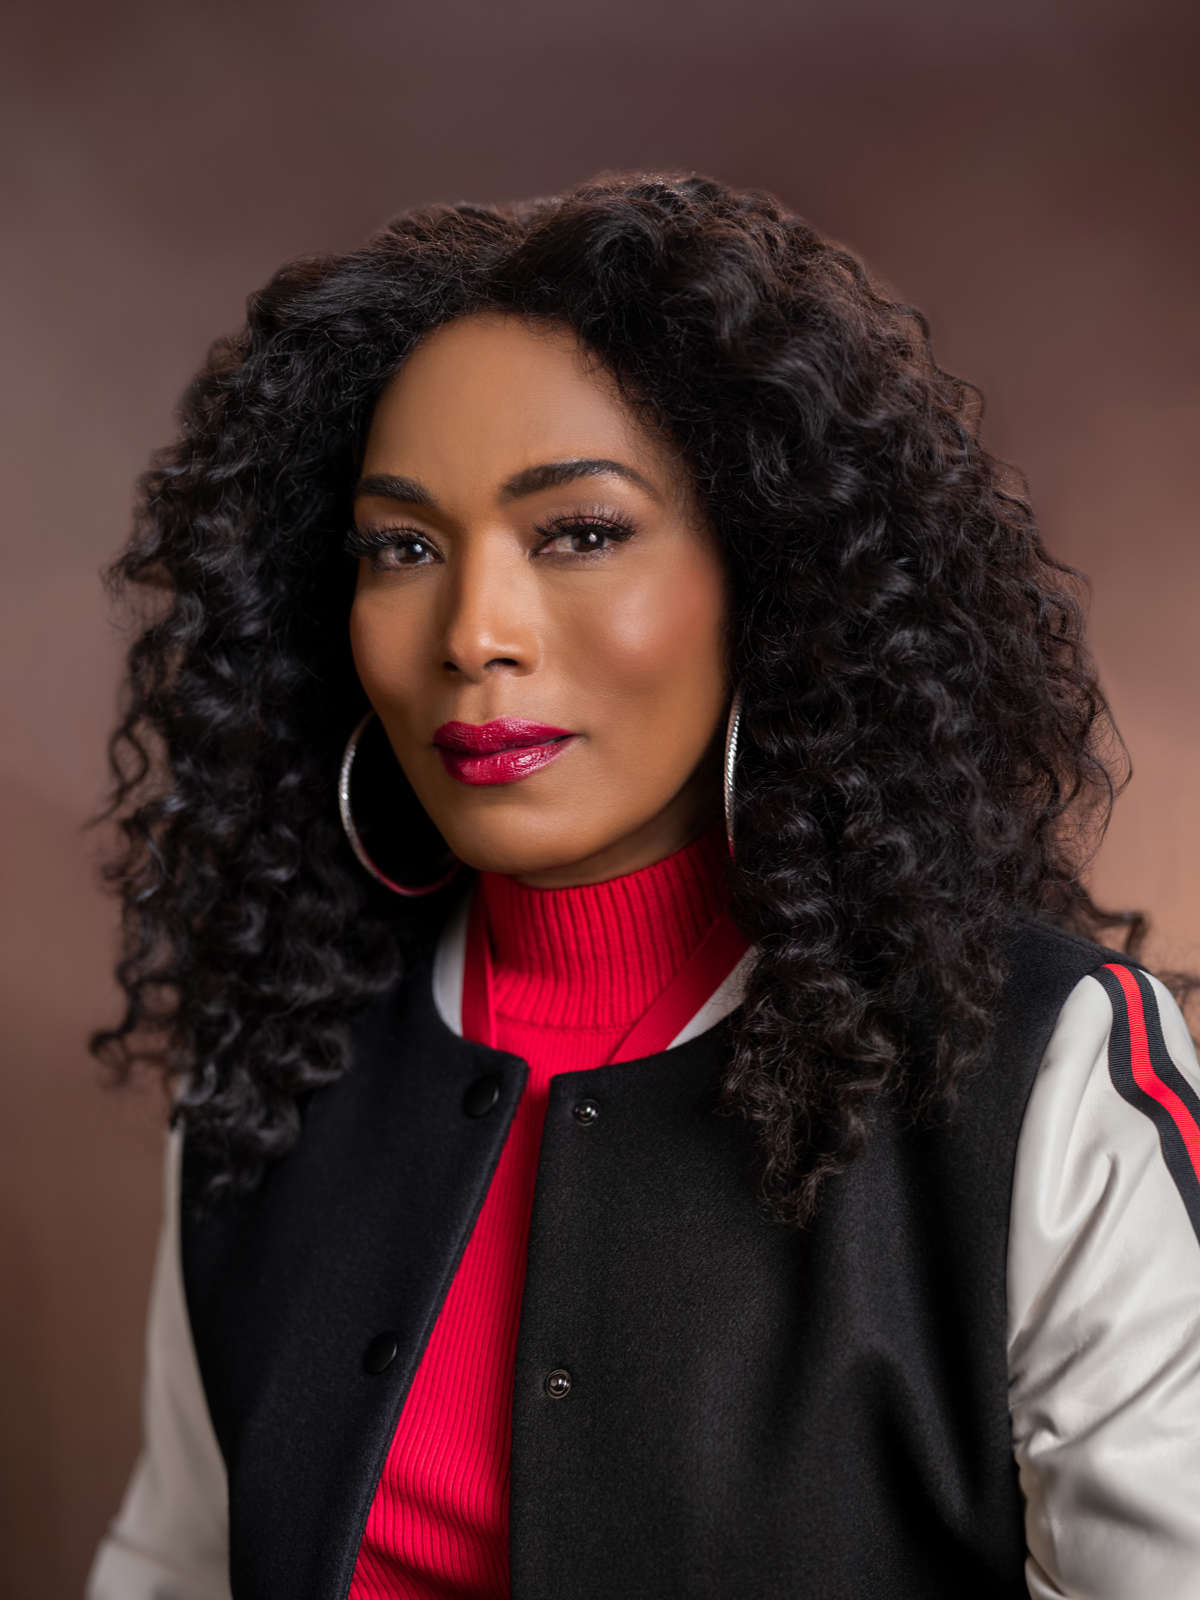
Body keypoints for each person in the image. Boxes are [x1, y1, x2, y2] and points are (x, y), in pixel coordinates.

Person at [84, 170, 1200, 1600]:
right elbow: (177, 1564)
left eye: (580, 532)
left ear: (768, 580)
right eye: (402, 548)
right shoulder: (272, 1069)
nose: (473, 631)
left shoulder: (1046, 1076)